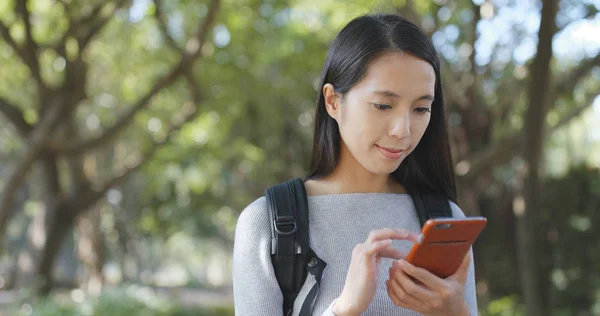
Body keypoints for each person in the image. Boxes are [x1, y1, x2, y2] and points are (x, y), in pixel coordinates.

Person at [232, 13, 478, 316]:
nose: (402, 130)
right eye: (383, 105)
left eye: (420, 108)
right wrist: (343, 310)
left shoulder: (445, 220)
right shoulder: (266, 223)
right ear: (333, 102)